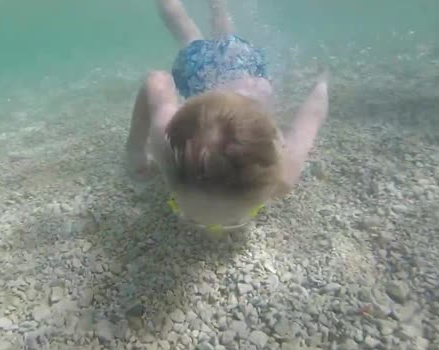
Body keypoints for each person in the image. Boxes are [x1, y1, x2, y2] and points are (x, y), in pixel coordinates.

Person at [125, 0, 329, 232]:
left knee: (209, 35)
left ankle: (218, 5)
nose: (214, 230)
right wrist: (135, 149)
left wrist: (322, 84)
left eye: (234, 222)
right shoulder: (165, 147)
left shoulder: (283, 177)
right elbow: (310, 116)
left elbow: (312, 115)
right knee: (196, 33)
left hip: (224, 68)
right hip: (225, 68)